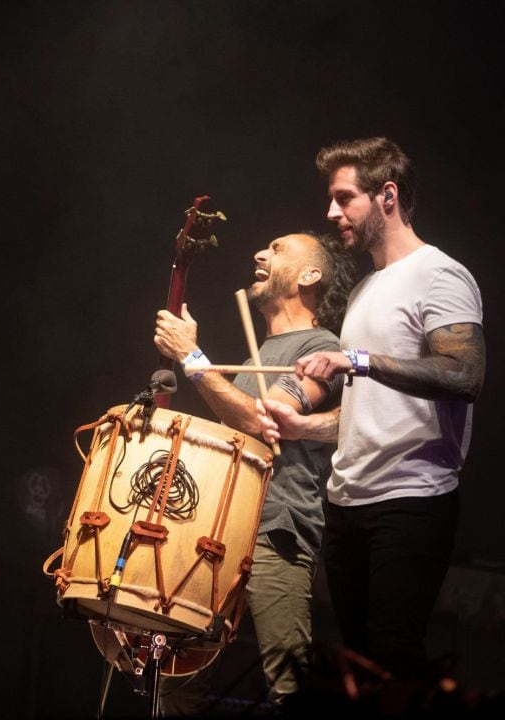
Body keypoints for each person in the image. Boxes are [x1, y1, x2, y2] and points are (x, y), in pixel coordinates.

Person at [258, 137, 485, 683]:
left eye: (344, 198)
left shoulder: (440, 274)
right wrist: (305, 425)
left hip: (410, 501)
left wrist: (356, 359)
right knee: (356, 670)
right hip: (347, 504)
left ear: (388, 195)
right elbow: (370, 411)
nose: (331, 212)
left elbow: (464, 374)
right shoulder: (364, 290)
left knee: (392, 663)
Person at [151, 231, 355, 712]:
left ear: (310, 275)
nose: (260, 254)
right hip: (219, 536)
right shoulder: (249, 364)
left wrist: (191, 358)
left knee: (286, 683)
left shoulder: (321, 344)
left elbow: (269, 419)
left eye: (278, 248)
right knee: (178, 677)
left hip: (274, 531)